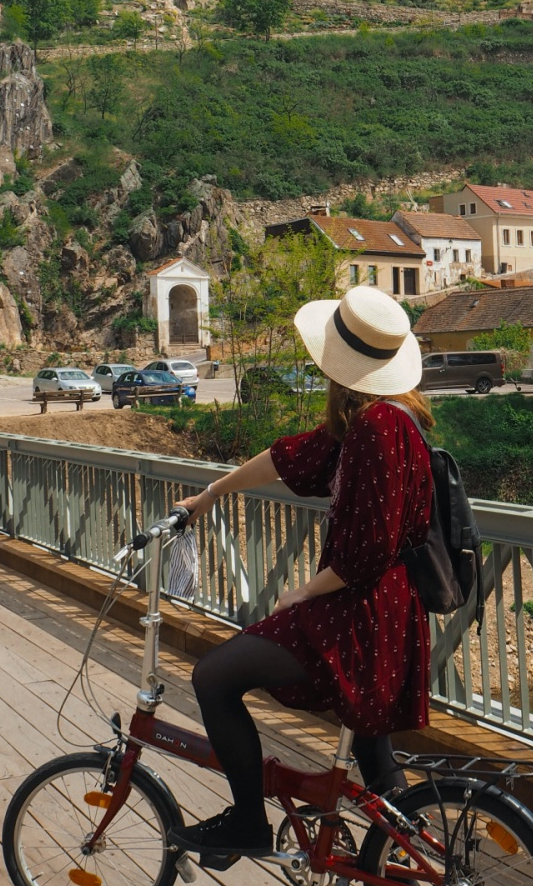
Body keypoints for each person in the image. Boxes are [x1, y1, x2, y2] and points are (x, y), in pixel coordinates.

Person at [168, 286, 433, 857]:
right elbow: (291, 456)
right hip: (376, 611)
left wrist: (301, 595)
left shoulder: (378, 429)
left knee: (214, 678)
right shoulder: (377, 419)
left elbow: (367, 552)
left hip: (359, 614)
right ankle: (409, 878)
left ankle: (246, 824)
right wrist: (211, 494)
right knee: (373, 749)